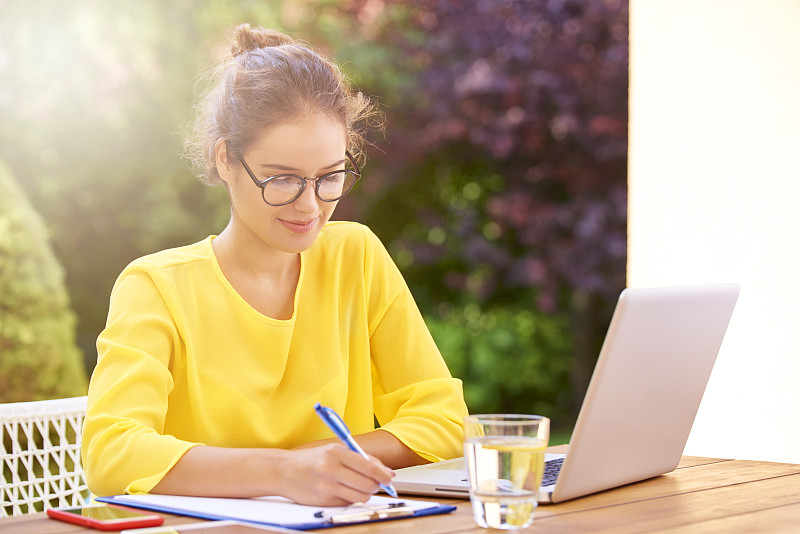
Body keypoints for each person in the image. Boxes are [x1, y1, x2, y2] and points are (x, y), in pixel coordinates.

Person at [81, 24, 468, 507]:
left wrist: (320, 462)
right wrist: (282, 473)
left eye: (330, 177)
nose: (310, 207)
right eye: (283, 179)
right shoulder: (156, 287)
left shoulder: (356, 257)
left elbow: (444, 422)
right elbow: (110, 453)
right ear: (225, 159)